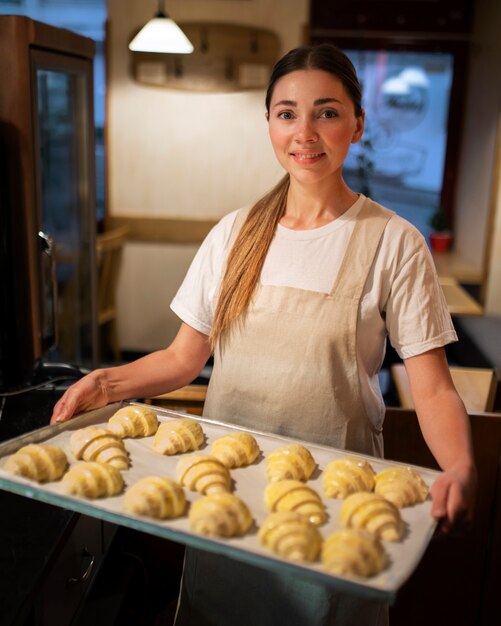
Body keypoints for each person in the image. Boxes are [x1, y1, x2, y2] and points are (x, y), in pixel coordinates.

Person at [51, 43, 477, 626]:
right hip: (229, 494)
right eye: (286, 113)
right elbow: (183, 357)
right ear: (269, 125)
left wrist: (458, 466)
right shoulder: (235, 233)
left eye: (326, 112)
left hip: (334, 503)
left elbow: (431, 390)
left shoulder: (394, 242)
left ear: (357, 122)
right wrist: (106, 382)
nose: (305, 131)